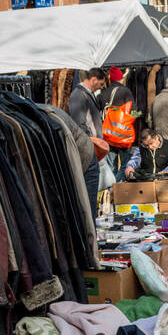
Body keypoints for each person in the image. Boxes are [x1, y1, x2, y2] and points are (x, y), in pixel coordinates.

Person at [67, 67, 107, 221]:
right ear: (94, 79)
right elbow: (79, 122)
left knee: (92, 194)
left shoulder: (85, 94)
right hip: (89, 149)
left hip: (92, 148)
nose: (101, 87)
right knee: (88, 195)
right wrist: (91, 142)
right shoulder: (79, 94)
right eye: (101, 84)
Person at [100, 66, 136, 173]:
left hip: (109, 136)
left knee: (111, 166)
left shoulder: (103, 93)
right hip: (123, 136)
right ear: (121, 78)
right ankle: (118, 185)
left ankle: (112, 188)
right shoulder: (125, 91)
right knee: (126, 164)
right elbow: (135, 111)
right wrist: (131, 119)